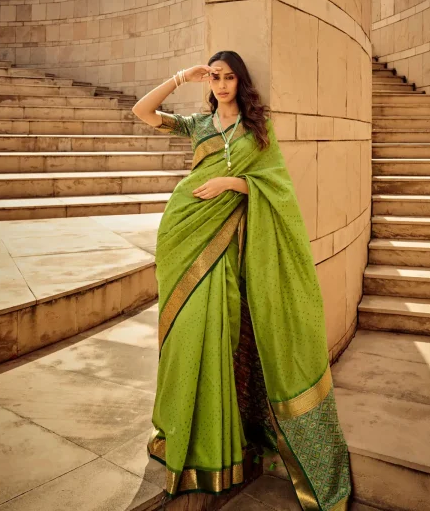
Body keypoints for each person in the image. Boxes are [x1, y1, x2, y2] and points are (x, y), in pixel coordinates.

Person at [131, 50, 352, 510]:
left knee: (218, 333)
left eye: (229, 77)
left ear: (241, 82)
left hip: (227, 242)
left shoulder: (257, 130)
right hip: (183, 234)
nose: (221, 84)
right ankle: (180, 433)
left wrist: (232, 185)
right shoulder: (197, 126)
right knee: (185, 335)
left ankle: (217, 441)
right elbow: (142, 112)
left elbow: (277, 190)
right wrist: (180, 77)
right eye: (214, 77)